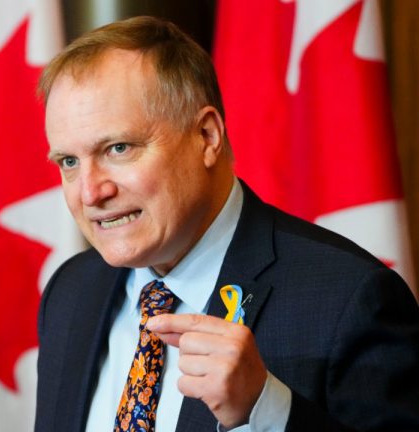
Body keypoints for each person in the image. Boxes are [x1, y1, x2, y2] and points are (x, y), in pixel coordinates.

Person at [34, 16, 419, 432]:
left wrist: (267, 410)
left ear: (207, 136)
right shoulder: (70, 292)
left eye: (118, 148)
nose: (90, 192)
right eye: (69, 162)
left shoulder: (349, 299)